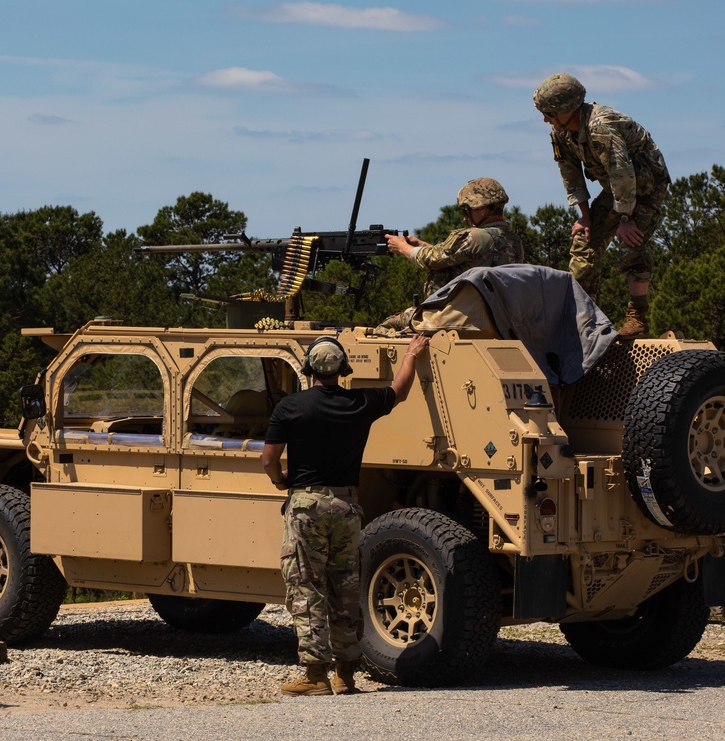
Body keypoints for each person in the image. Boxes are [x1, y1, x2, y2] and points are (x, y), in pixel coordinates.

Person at [261, 333, 429, 696]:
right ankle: (345, 674)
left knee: (307, 587)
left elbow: (269, 459)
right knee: (345, 587)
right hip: (347, 507)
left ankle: (315, 675)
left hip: (306, 507)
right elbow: (399, 390)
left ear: (308, 369)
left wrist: (281, 481)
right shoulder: (359, 403)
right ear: (343, 369)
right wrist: (412, 355)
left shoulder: (290, 408)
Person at [533, 72, 670, 338]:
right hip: (616, 190)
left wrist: (625, 219)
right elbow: (569, 173)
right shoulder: (560, 133)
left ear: (566, 109)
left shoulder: (600, 127)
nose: (545, 119)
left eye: (549, 113)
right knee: (584, 243)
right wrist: (585, 216)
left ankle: (637, 318)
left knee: (631, 243)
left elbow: (623, 172)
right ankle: (584, 321)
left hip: (645, 187)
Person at [375, 178, 524, 333]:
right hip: (498, 319)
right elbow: (456, 257)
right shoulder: (513, 240)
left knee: (391, 325)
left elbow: (430, 260)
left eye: (467, 211)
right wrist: (421, 245)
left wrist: (401, 247)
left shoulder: (475, 236)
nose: (464, 218)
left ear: (482, 210)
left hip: (460, 316)